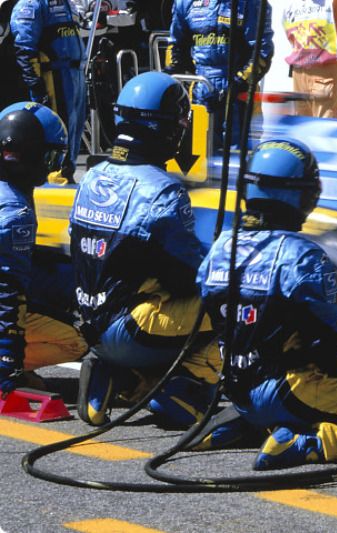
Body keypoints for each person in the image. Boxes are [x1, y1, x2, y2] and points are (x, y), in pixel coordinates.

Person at [196, 138, 337, 469]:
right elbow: (327, 342)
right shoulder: (303, 255)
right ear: (297, 194)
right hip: (290, 387)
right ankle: (306, 444)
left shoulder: (221, 246)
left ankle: (249, 422)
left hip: (236, 387)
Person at [69, 72, 219, 427]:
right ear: (166, 128)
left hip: (87, 322)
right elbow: (187, 276)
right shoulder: (163, 191)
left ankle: (113, 371)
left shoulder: (92, 175)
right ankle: (182, 389)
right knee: (230, 300)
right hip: (132, 330)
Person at [0, 102, 87, 394]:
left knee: (64, 274)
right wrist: (7, 366)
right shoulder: (15, 212)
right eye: (50, 158)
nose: (53, 167)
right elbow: (7, 294)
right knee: (77, 341)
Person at [166, 0, 274, 147]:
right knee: (199, 151)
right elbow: (175, 48)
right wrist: (178, 78)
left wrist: (237, 84)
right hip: (201, 89)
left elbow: (262, 52)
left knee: (238, 156)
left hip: (240, 93)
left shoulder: (251, 3)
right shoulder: (185, 3)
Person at [11, 0, 86, 182]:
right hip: (54, 75)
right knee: (58, 126)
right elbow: (24, 48)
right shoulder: (30, 4)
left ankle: (68, 172)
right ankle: (53, 176)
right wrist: (35, 83)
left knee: (76, 126)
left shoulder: (69, 3)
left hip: (76, 74)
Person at [282, 0, 337, 118]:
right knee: (329, 131)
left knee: (303, 130)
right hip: (329, 77)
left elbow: (293, 40)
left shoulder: (290, 5)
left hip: (301, 74)